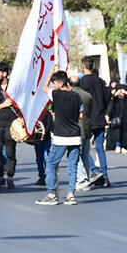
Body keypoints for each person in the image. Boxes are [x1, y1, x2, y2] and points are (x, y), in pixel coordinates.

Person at [36, 67, 83, 206]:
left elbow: (44, 88)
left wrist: (50, 70)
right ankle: (71, 195)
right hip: (75, 135)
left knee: (51, 164)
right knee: (72, 166)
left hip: (61, 137)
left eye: (54, 82)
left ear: (60, 83)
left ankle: (51, 195)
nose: (53, 85)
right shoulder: (76, 96)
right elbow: (80, 115)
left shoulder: (56, 94)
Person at [81, 56, 111, 187]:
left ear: (83, 66)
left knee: (83, 149)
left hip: (88, 119)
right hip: (99, 117)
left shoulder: (83, 82)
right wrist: (106, 113)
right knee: (100, 148)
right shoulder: (100, 81)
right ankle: (104, 176)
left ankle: (94, 170)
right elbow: (107, 98)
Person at [68, 76, 92, 191]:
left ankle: (82, 180)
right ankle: (85, 179)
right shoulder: (88, 95)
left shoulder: (71, 95)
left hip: (76, 129)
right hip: (87, 127)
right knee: (85, 156)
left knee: (77, 155)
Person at [34, 109, 53, 186]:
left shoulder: (46, 112)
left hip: (46, 139)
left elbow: (49, 124)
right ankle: (41, 177)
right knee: (39, 159)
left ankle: (49, 177)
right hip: (37, 139)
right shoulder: (34, 113)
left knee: (46, 158)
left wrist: (44, 133)